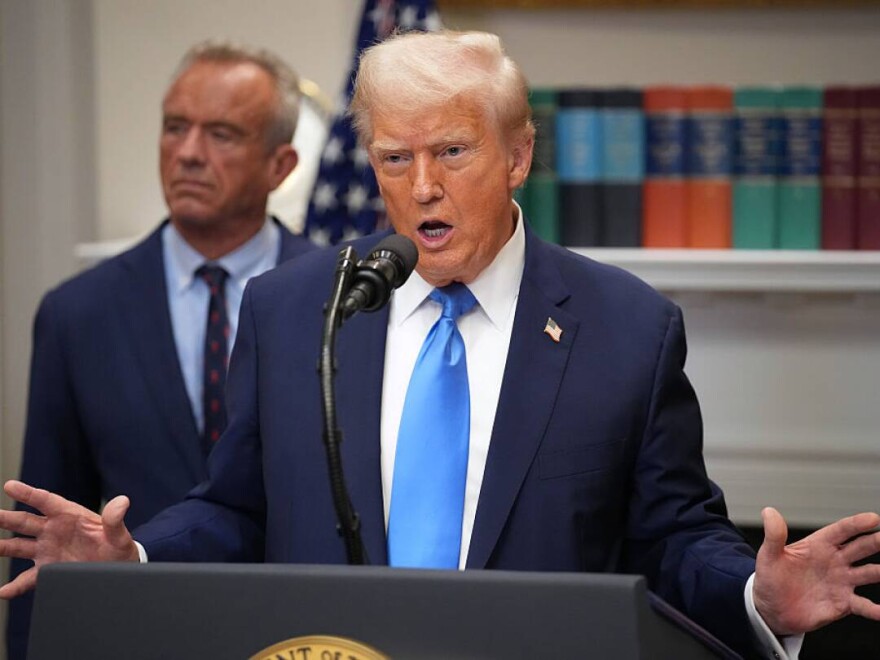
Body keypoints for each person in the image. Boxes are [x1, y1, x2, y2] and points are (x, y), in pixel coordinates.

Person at [1, 30, 878, 659]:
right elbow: (237, 506)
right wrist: (137, 559)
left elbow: (674, 534)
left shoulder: (627, 327)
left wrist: (756, 595)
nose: (421, 187)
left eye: (453, 151)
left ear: (519, 154)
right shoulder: (296, 306)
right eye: (393, 158)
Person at [4, 41, 316, 659]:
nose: (189, 153)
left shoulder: (340, 299)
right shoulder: (77, 314)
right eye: (176, 127)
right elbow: (45, 536)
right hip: (139, 638)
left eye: (222, 134)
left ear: (280, 166)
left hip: (303, 634)